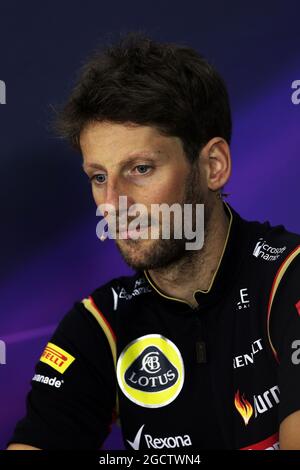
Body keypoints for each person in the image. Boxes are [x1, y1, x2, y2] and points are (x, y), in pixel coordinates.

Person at [7, 32, 300, 451]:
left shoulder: (288, 278)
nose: (113, 205)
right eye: (99, 177)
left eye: (140, 169)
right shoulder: (99, 325)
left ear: (213, 166)